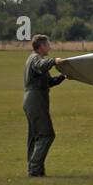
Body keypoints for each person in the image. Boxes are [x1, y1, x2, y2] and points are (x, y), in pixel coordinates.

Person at [23, 34, 68, 177]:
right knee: (47, 134)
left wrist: (63, 77)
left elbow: (49, 82)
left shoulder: (36, 59)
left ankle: (34, 170)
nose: (50, 47)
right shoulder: (35, 59)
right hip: (35, 100)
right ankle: (35, 170)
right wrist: (54, 61)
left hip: (34, 100)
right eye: (48, 44)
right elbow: (40, 66)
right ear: (41, 46)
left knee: (35, 136)